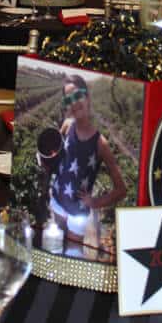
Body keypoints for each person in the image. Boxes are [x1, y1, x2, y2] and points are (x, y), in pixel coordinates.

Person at [50, 74, 127, 242]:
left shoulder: (101, 143)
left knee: (71, 255)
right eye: (69, 99)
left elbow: (121, 190)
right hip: (58, 201)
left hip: (78, 213)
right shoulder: (67, 125)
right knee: (55, 247)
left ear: (88, 97)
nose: (75, 102)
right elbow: (57, 155)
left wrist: (94, 202)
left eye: (78, 95)